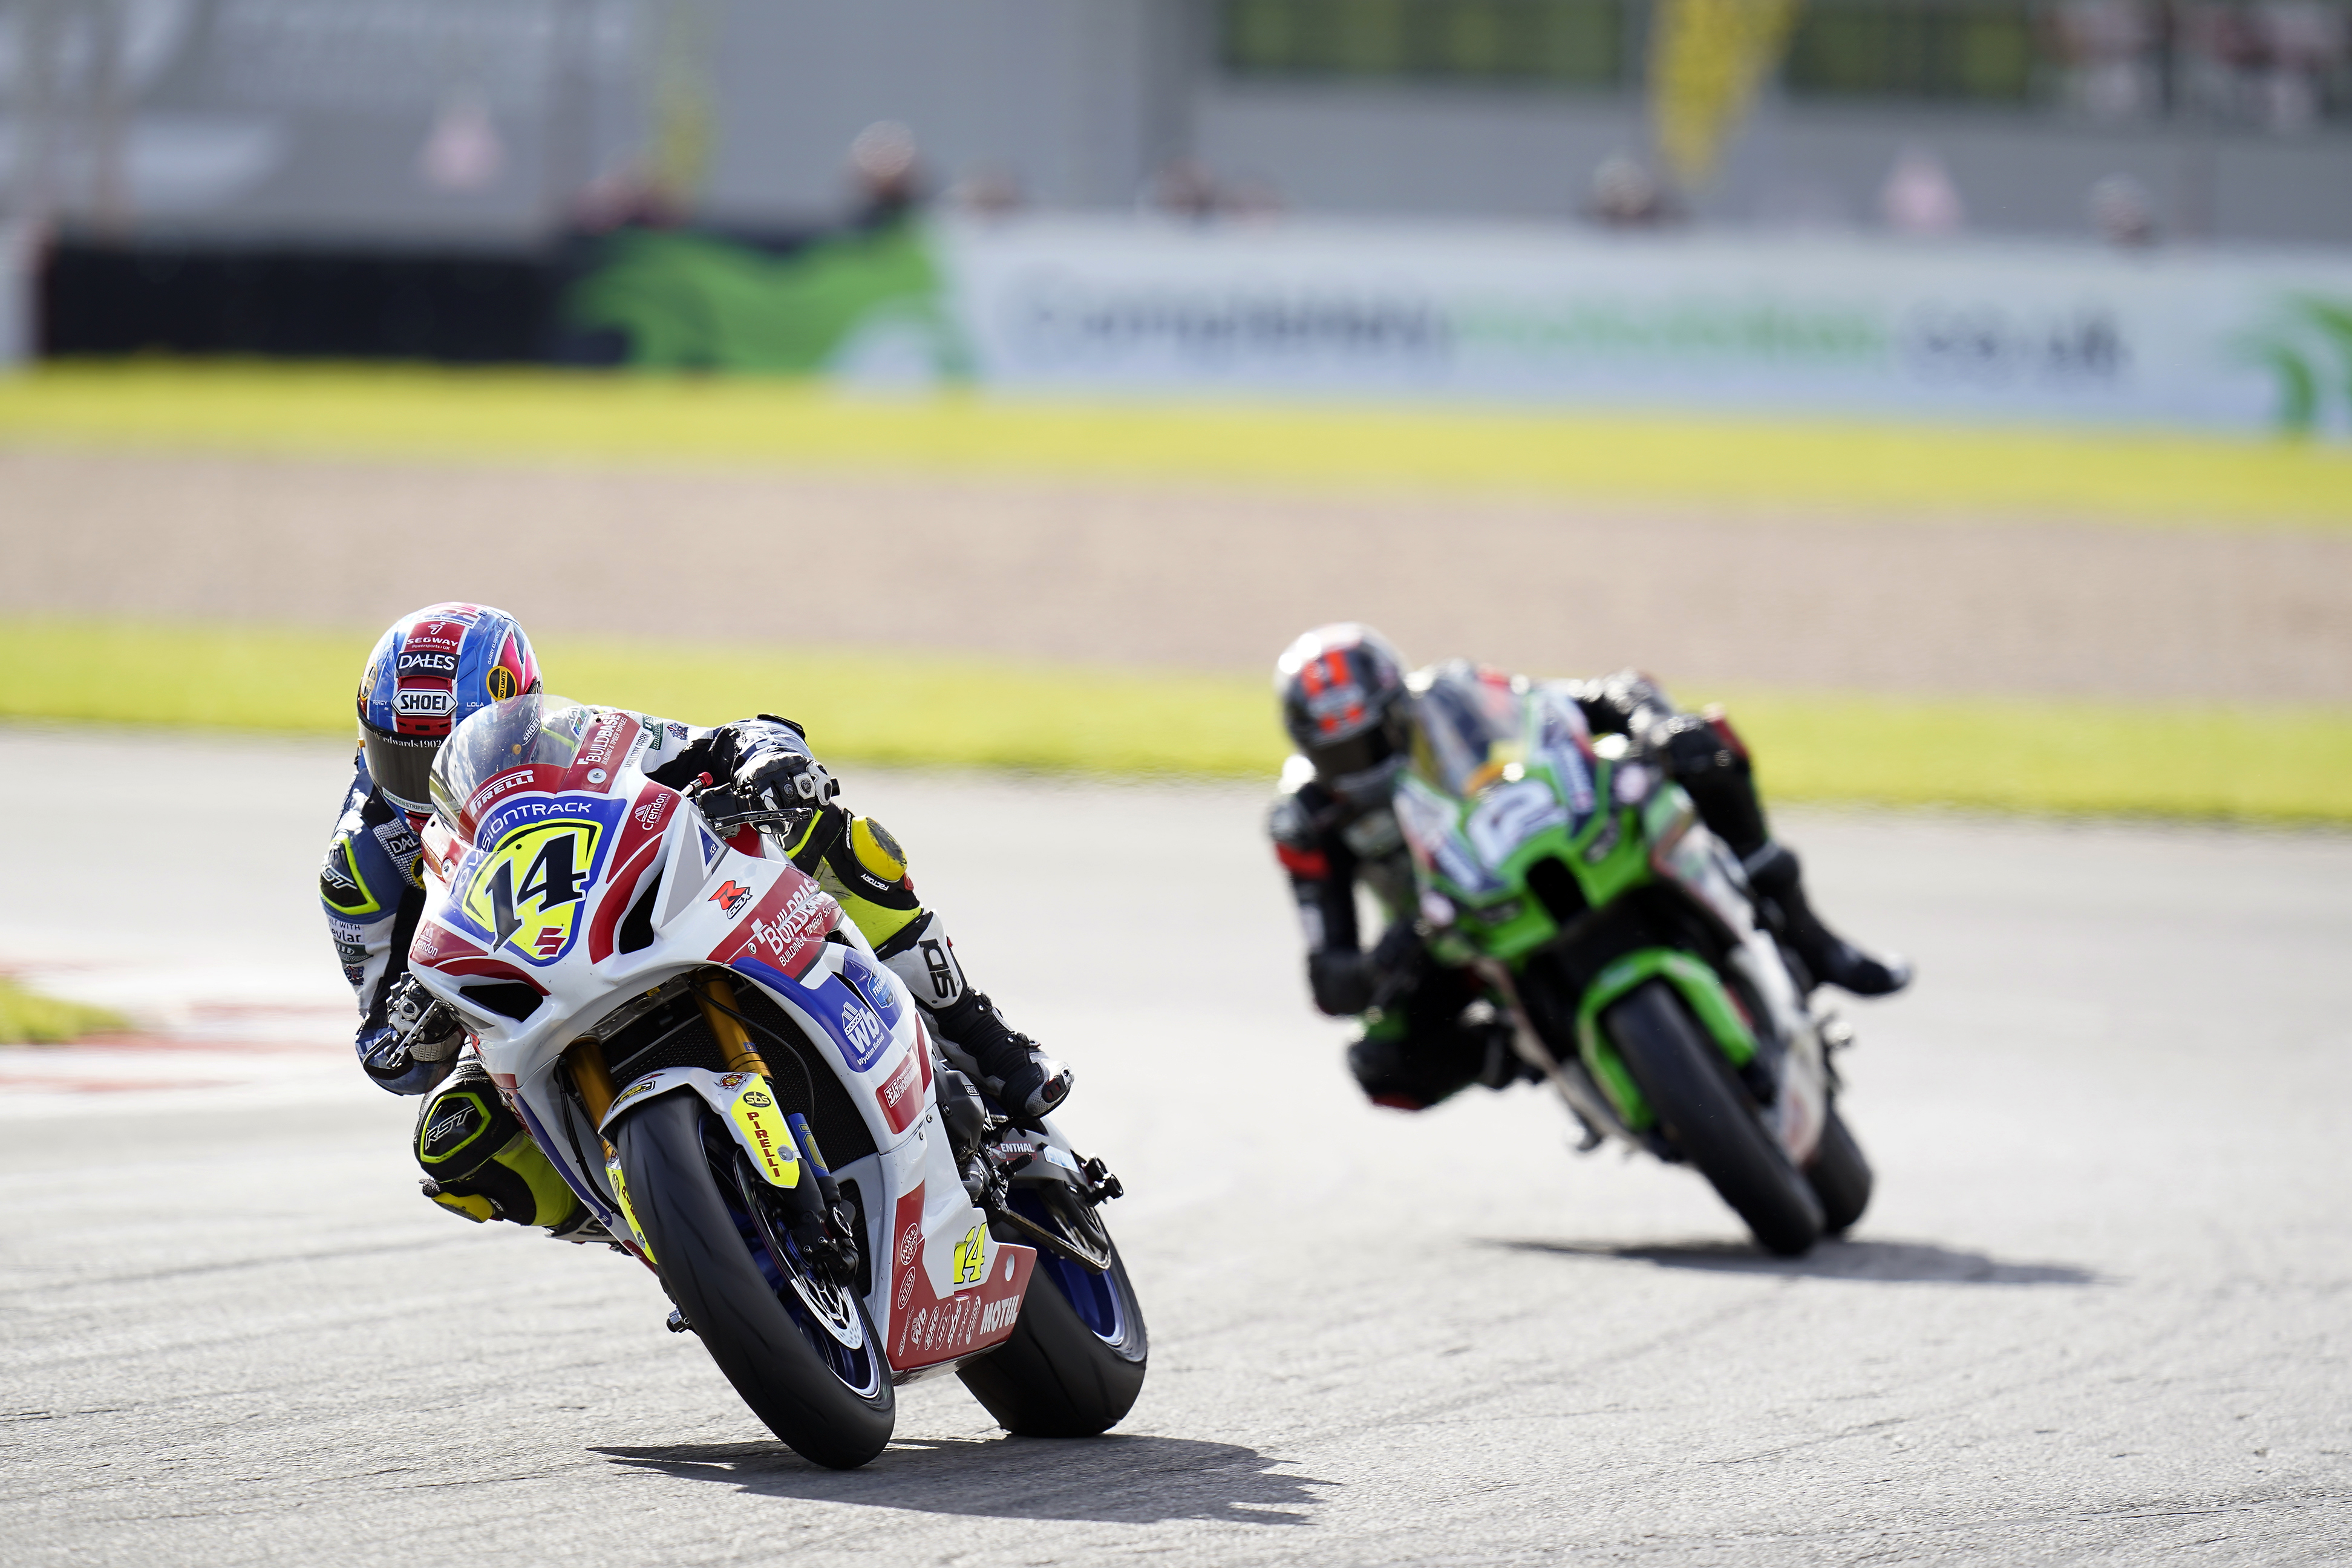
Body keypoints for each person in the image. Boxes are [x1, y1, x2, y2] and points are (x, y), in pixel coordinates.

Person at [323, 602, 1067, 1239]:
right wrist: (407, 1029)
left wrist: (766, 757)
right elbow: (389, 1049)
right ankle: (663, 1226)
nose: (427, 779)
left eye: (455, 744)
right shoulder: (359, 866)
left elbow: (717, 742)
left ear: (517, 710)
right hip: (522, 1006)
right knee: (453, 1139)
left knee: (831, 833)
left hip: (630, 918)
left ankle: (974, 1029)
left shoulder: (574, 734)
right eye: (403, 758)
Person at [1267, 623, 1910, 1112]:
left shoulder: (1451, 698)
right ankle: (1525, 1050)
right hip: (1452, 931)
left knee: (1706, 745)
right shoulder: (1309, 821)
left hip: (1551, 843)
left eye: (1370, 740)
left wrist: (1656, 723)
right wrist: (1387, 957)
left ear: (1397, 710)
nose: (1359, 763)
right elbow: (1329, 977)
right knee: (1382, 1065)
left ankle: (1809, 937)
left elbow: (1595, 699)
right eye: (1339, 752)